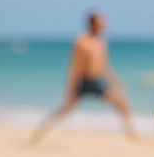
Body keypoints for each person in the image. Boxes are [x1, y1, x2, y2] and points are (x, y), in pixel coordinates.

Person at [32, 10, 138, 142]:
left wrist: (116, 80)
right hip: (84, 81)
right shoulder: (82, 41)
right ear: (92, 23)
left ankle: (132, 134)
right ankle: (38, 134)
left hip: (97, 81)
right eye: (101, 22)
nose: (104, 25)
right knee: (65, 109)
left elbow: (104, 66)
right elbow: (75, 66)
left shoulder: (101, 42)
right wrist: (70, 87)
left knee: (122, 102)